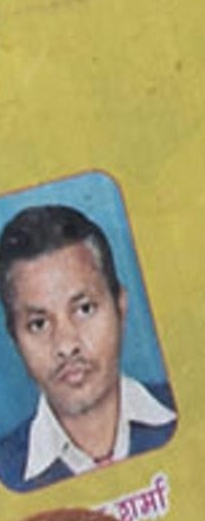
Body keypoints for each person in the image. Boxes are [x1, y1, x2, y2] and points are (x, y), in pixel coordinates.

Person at [0, 205, 176, 490]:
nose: (66, 345)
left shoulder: (188, 413)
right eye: (38, 324)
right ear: (15, 340)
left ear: (120, 307)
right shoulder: (7, 473)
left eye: (84, 309)